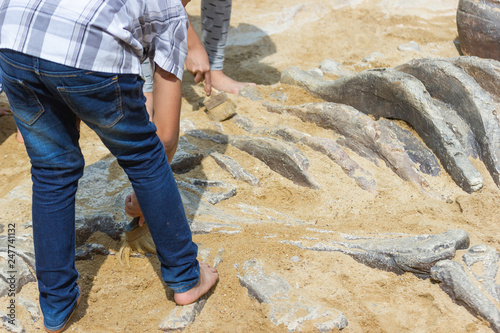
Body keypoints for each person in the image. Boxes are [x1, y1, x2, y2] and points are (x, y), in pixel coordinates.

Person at [0, 1, 218, 333]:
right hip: (88, 55)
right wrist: (145, 194)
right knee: (145, 157)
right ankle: (187, 278)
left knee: (52, 169)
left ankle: (56, 304)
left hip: (13, 40)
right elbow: (167, 136)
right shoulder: (170, 8)